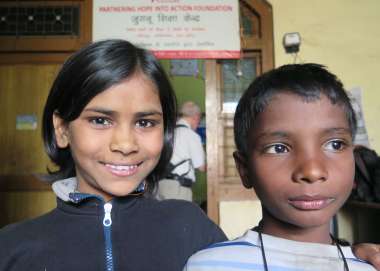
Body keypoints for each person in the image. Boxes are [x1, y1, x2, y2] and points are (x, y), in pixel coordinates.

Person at [0, 39, 226, 271]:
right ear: (62, 130)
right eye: (100, 120)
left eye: (145, 122)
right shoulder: (12, 248)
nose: (125, 144)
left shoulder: (193, 229)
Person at [184, 63, 378, 270]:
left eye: (335, 144)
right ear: (244, 169)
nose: (312, 172)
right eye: (278, 148)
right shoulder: (210, 266)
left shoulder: (369, 265)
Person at [155, 101, 206, 201]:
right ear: (196, 117)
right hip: (178, 188)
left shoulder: (167, 133)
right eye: (199, 120)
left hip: (160, 185)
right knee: (180, 216)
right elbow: (201, 166)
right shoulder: (191, 136)